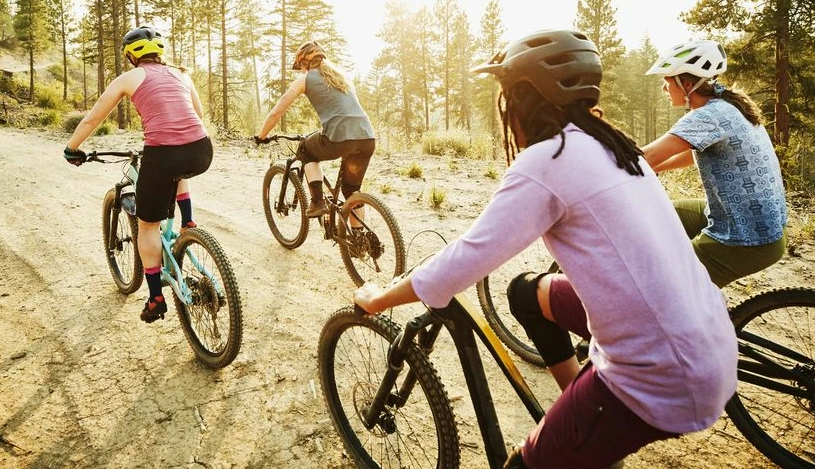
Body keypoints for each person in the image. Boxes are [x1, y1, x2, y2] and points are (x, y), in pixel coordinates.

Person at [352, 29, 737, 469]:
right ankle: (578, 413)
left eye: (507, 98)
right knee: (525, 293)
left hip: (664, 375)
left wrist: (378, 298)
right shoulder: (610, 143)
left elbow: (460, 265)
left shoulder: (547, 160)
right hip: (709, 340)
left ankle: (585, 425)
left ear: (523, 100)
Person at [64, 25, 212, 323]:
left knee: (147, 227)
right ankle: (189, 222)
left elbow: (93, 118)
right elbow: (196, 114)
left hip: (163, 154)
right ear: (160, 52)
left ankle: (156, 297)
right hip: (201, 150)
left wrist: (72, 148)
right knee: (178, 168)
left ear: (131, 55)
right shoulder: (182, 74)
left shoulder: (129, 78)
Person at [640, 40, 787, 288]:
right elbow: (690, 154)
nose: (664, 88)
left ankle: (696, 317)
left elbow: (646, 156)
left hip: (745, 239)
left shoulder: (707, 115)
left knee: (664, 288)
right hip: (759, 225)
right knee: (655, 215)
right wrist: (655, 168)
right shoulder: (727, 105)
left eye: (667, 81)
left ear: (686, 84)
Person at [254, 42, 376, 219]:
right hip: (367, 137)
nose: (302, 71)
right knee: (351, 191)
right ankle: (359, 239)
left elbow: (276, 112)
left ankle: (318, 201)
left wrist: (261, 136)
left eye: (301, 67)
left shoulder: (305, 79)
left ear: (305, 63)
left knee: (305, 149)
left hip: (339, 139)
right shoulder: (343, 77)